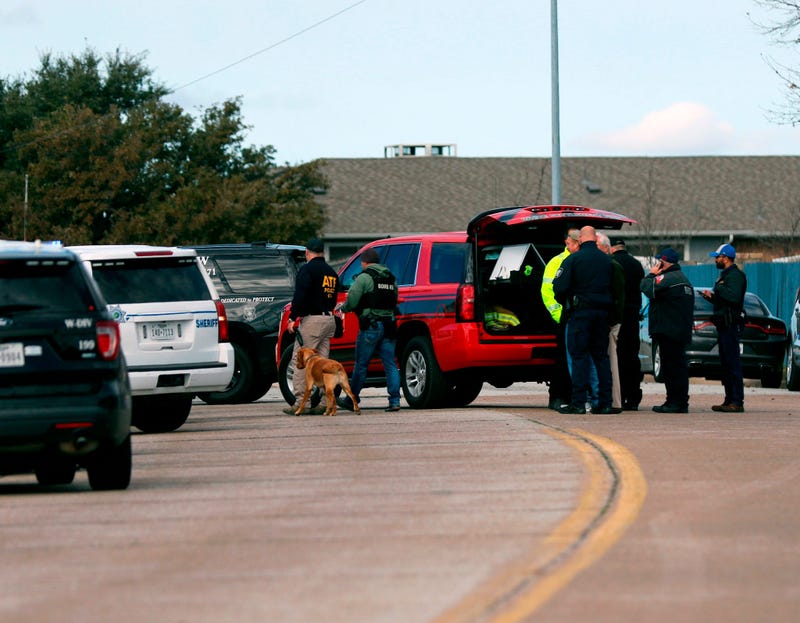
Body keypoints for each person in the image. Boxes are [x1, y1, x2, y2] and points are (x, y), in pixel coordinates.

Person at [552, 226, 615, 415]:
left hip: (580, 315)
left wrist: (569, 303)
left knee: (579, 358)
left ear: (580, 239)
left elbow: (559, 288)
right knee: (601, 358)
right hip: (602, 315)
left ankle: (578, 403)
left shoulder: (573, 260)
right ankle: (604, 403)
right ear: (595, 238)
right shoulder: (607, 261)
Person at [336, 248, 402, 412]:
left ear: (364, 262)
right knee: (391, 365)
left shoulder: (364, 277)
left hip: (371, 326)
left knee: (361, 365)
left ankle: (352, 399)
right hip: (389, 325)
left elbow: (352, 300)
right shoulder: (390, 278)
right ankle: (395, 401)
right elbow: (394, 299)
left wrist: (342, 309)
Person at [283, 238, 340, 415]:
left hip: (312, 321)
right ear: (322, 252)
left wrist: (292, 318)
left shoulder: (307, 270)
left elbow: (301, 297)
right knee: (324, 363)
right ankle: (325, 401)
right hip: (328, 319)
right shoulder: (331, 272)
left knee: (300, 361)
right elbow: (334, 297)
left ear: (307, 252)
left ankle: (302, 403)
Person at [640, 248, 694, 413]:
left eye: (659, 261)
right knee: (678, 367)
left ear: (664, 262)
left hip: (668, 330)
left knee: (671, 368)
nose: (657, 264)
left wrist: (651, 274)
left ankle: (675, 402)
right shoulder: (683, 279)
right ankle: (677, 401)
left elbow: (646, 287)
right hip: (679, 330)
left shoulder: (667, 278)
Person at [701, 243, 747, 413]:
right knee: (725, 364)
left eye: (718, 257)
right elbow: (723, 300)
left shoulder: (735, 276)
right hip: (723, 324)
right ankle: (728, 400)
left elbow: (734, 298)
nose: (716, 260)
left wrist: (719, 289)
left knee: (732, 362)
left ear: (726, 258)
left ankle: (737, 400)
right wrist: (711, 297)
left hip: (731, 324)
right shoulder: (725, 276)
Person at [540, 228, 580, 410]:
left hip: (577, 317)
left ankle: (574, 396)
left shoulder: (579, 260)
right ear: (569, 242)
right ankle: (557, 396)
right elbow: (547, 292)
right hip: (563, 317)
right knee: (562, 360)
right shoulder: (557, 262)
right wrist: (559, 315)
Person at [611, 238, 646, 410]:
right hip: (633, 315)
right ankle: (633, 396)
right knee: (632, 355)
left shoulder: (612, 263)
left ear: (612, 248)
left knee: (617, 356)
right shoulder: (636, 265)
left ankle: (620, 394)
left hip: (618, 314)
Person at [597, 233, 625, 413]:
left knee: (611, 361)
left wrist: (612, 321)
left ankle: (615, 402)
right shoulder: (606, 265)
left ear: (606, 248)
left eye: (597, 246)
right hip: (607, 320)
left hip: (611, 323)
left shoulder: (613, 266)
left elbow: (618, 297)